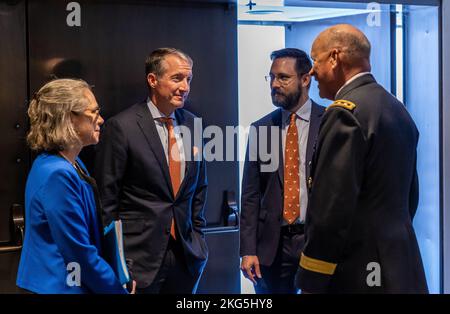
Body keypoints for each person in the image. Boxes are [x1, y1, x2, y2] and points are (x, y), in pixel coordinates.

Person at [295, 24, 428, 293]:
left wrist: (312, 278)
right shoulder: (395, 107)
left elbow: (330, 209)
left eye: (314, 60)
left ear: (334, 58)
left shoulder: (346, 112)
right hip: (399, 263)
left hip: (358, 270)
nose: (311, 72)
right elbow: (410, 197)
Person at [96, 48, 208, 294]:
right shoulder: (122, 127)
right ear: (152, 80)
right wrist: (118, 264)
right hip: (139, 262)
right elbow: (107, 201)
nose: (185, 87)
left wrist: (199, 241)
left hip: (187, 257)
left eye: (188, 79)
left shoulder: (192, 123)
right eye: (177, 78)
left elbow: (199, 189)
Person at [16, 79, 130, 294]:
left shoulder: (71, 163)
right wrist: (116, 290)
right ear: (69, 117)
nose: (101, 120)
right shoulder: (58, 173)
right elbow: (78, 253)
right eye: (94, 112)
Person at [240, 48, 325, 293]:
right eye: (271, 77)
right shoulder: (261, 128)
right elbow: (250, 195)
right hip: (272, 246)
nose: (275, 84)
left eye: (283, 77)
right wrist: (248, 250)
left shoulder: (330, 122)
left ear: (305, 79)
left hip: (316, 241)